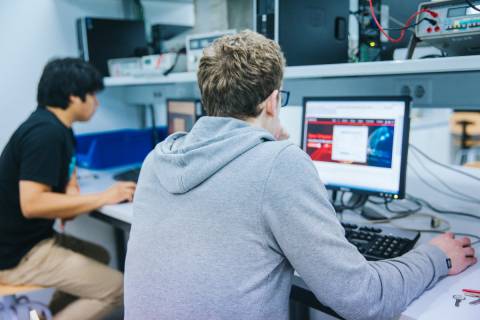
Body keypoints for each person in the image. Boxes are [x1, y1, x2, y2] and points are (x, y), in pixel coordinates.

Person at [124, 31, 476, 320]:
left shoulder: (158, 159)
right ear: (273, 101)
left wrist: (264, 147)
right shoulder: (276, 164)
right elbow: (362, 299)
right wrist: (436, 257)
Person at [0, 58, 136, 320]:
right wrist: (104, 197)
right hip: (18, 254)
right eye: (92, 95)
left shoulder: (58, 127)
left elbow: (66, 175)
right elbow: (32, 204)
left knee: (100, 255)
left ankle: (45, 316)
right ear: (74, 96)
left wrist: (71, 192)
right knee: (120, 288)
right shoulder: (45, 134)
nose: (96, 102)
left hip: (29, 241)